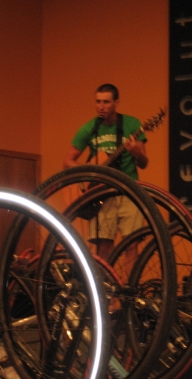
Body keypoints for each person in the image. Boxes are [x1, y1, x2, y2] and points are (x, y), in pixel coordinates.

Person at [63, 83, 148, 261]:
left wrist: (136, 152)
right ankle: (104, 286)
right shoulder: (89, 128)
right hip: (101, 193)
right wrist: (90, 170)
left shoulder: (132, 124)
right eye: (98, 101)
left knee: (131, 243)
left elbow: (143, 163)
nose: (101, 106)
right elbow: (68, 161)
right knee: (103, 244)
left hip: (128, 191)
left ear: (116, 103)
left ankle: (130, 287)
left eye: (106, 102)